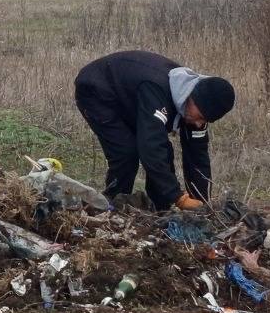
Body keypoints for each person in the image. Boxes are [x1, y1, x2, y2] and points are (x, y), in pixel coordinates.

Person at [74, 50, 235, 211]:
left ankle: (160, 209)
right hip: (97, 90)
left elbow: (197, 158)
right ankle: (112, 206)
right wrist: (177, 197)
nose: (200, 124)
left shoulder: (196, 110)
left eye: (206, 121)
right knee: (126, 153)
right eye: (199, 116)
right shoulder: (158, 92)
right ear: (191, 98)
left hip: (130, 98)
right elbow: (150, 148)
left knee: (163, 151)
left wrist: (201, 203)